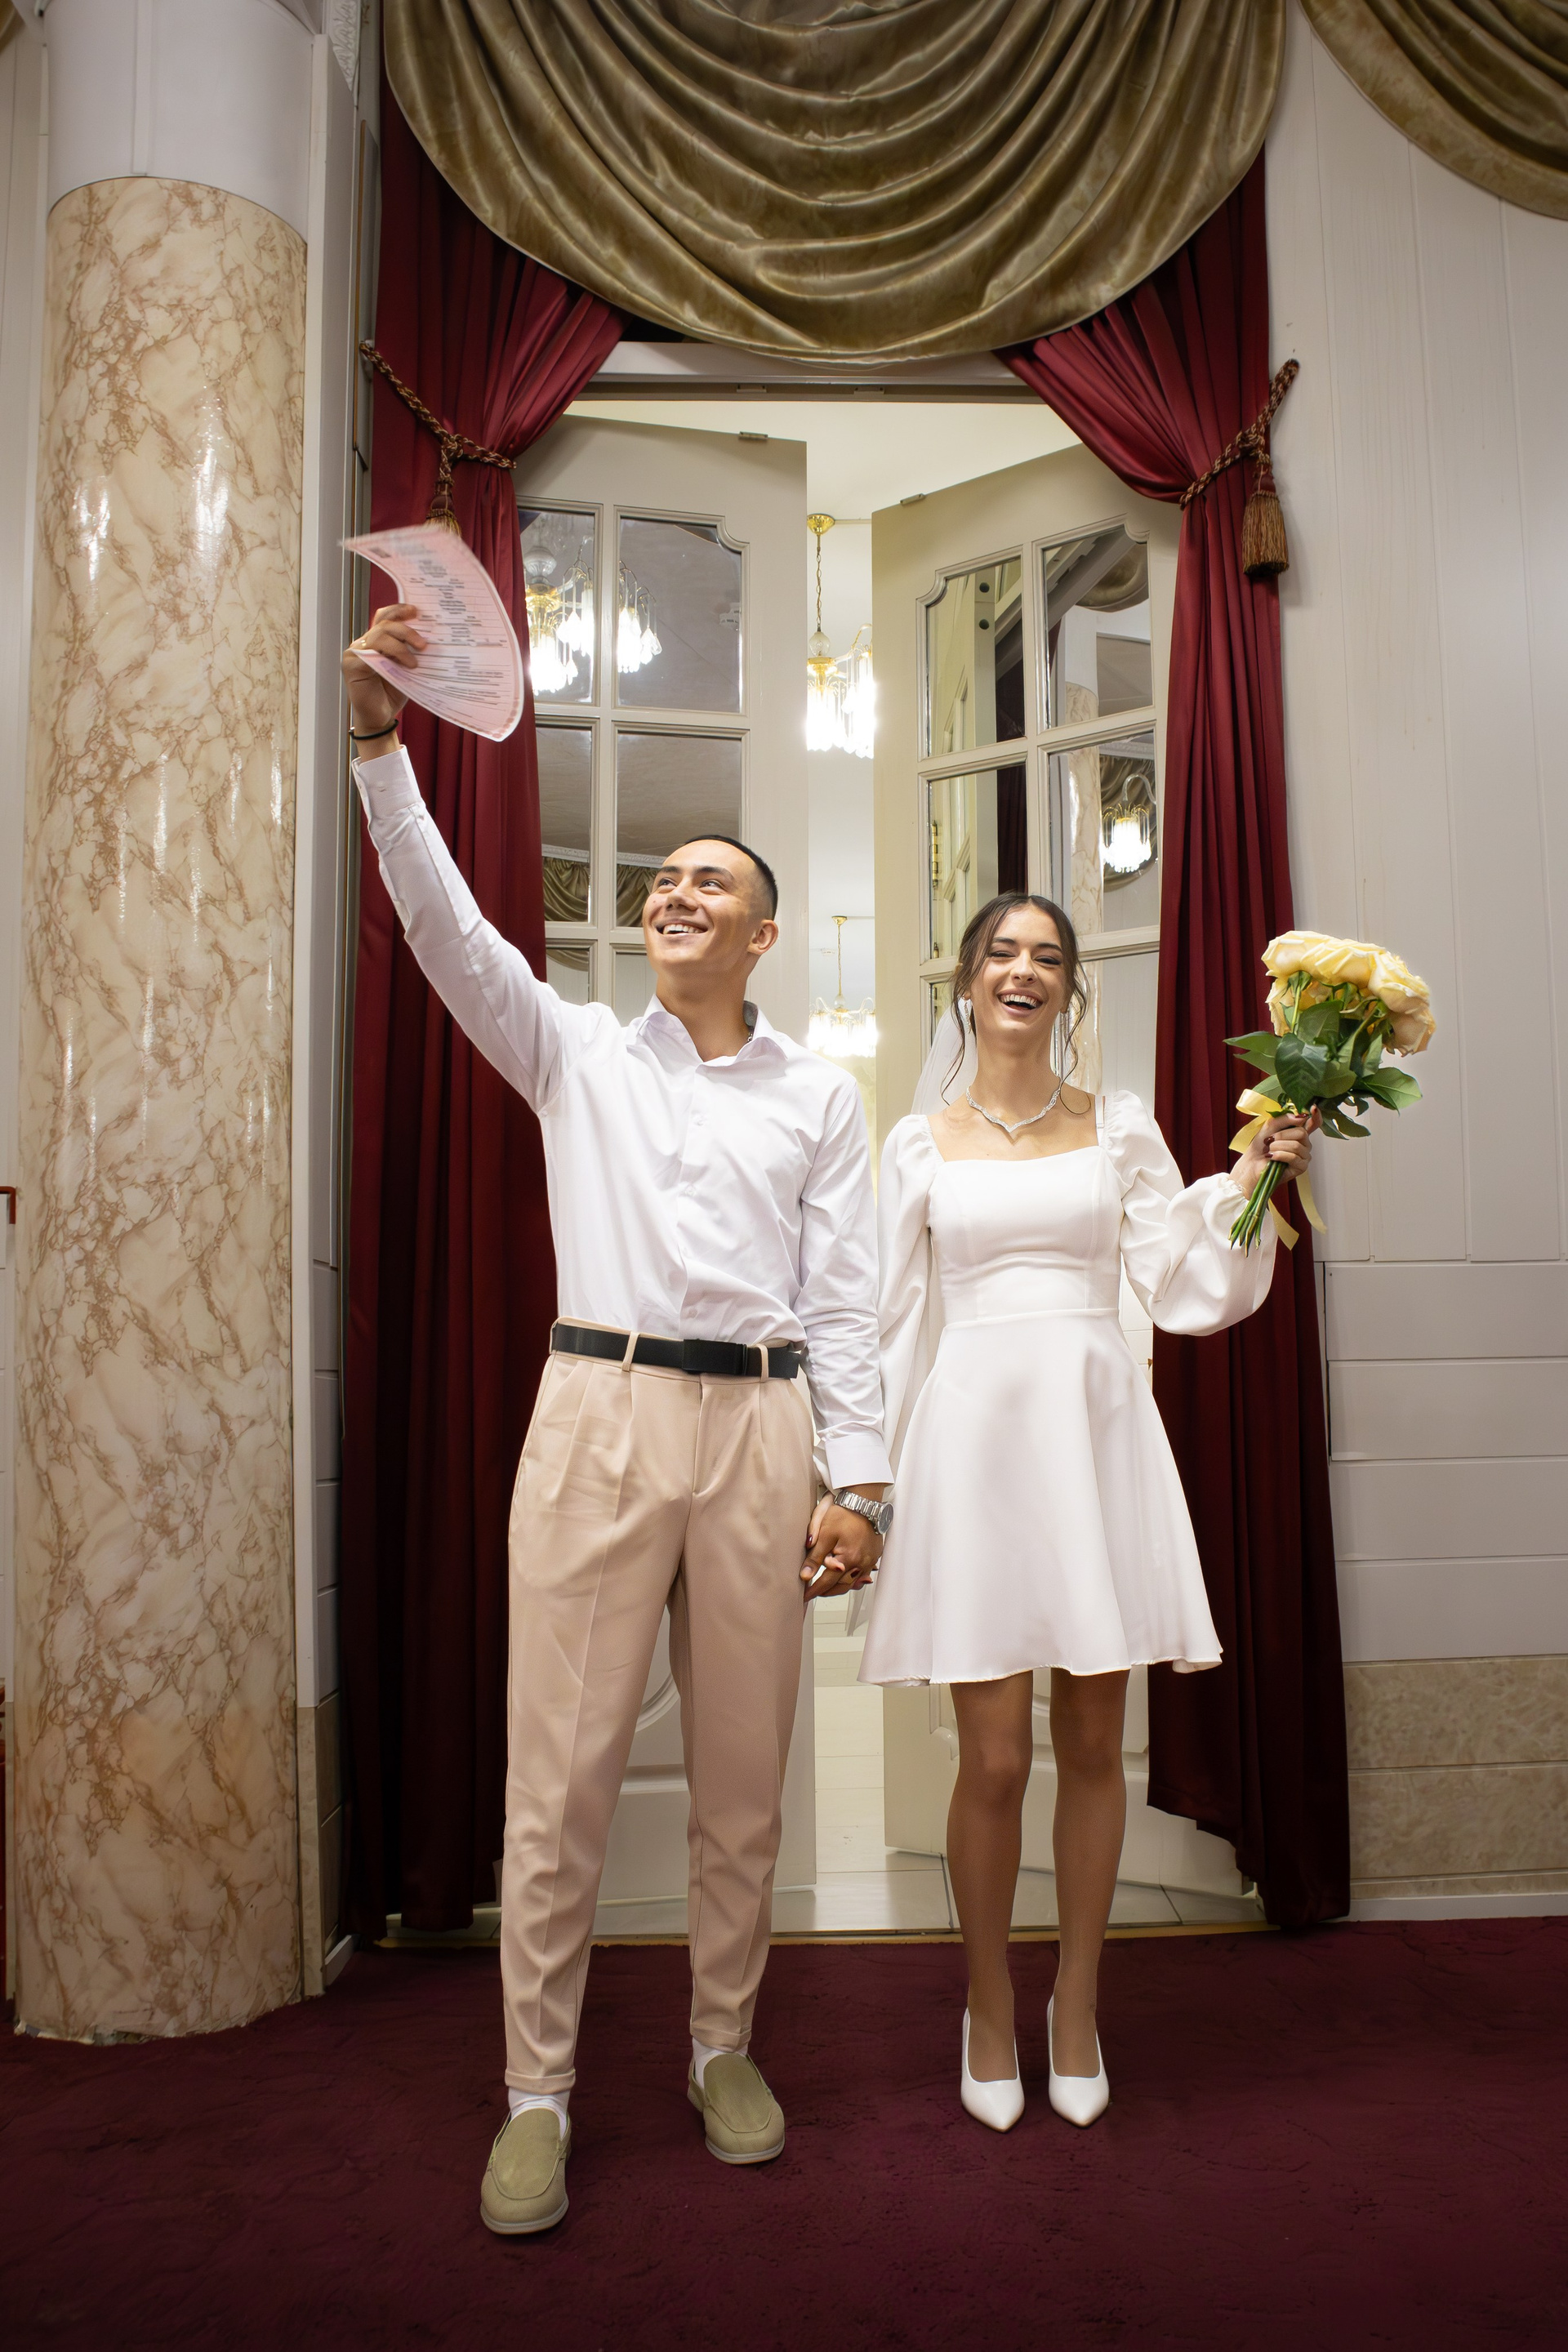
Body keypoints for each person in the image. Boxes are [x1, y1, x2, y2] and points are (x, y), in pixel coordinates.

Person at [342, 606, 893, 2233]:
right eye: (662, 880)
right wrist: (377, 742)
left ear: (763, 934)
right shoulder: (577, 1050)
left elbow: (846, 1302)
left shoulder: (821, 1095)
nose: (675, 892)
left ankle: (724, 2049)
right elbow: (444, 930)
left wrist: (860, 1480)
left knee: (745, 1785)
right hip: (598, 1411)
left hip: (764, 1436)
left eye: (711, 882)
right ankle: (537, 2093)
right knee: (561, 1780)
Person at [858, 893, 1315, 2132]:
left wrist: (1253, 1176)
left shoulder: (1118, 1126)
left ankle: (1077, 2004)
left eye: (1048, 957)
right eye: (1003, 952)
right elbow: (890, 1321)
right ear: (968, 981)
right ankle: (987, 2004)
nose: (1025, 971)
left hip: (1096, 1432)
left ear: (1069, 988)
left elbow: (1181, 1278)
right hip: (973, 1440)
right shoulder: (918, 1143)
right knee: (996, 1758)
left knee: (1096, 1746)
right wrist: (859, 1480)